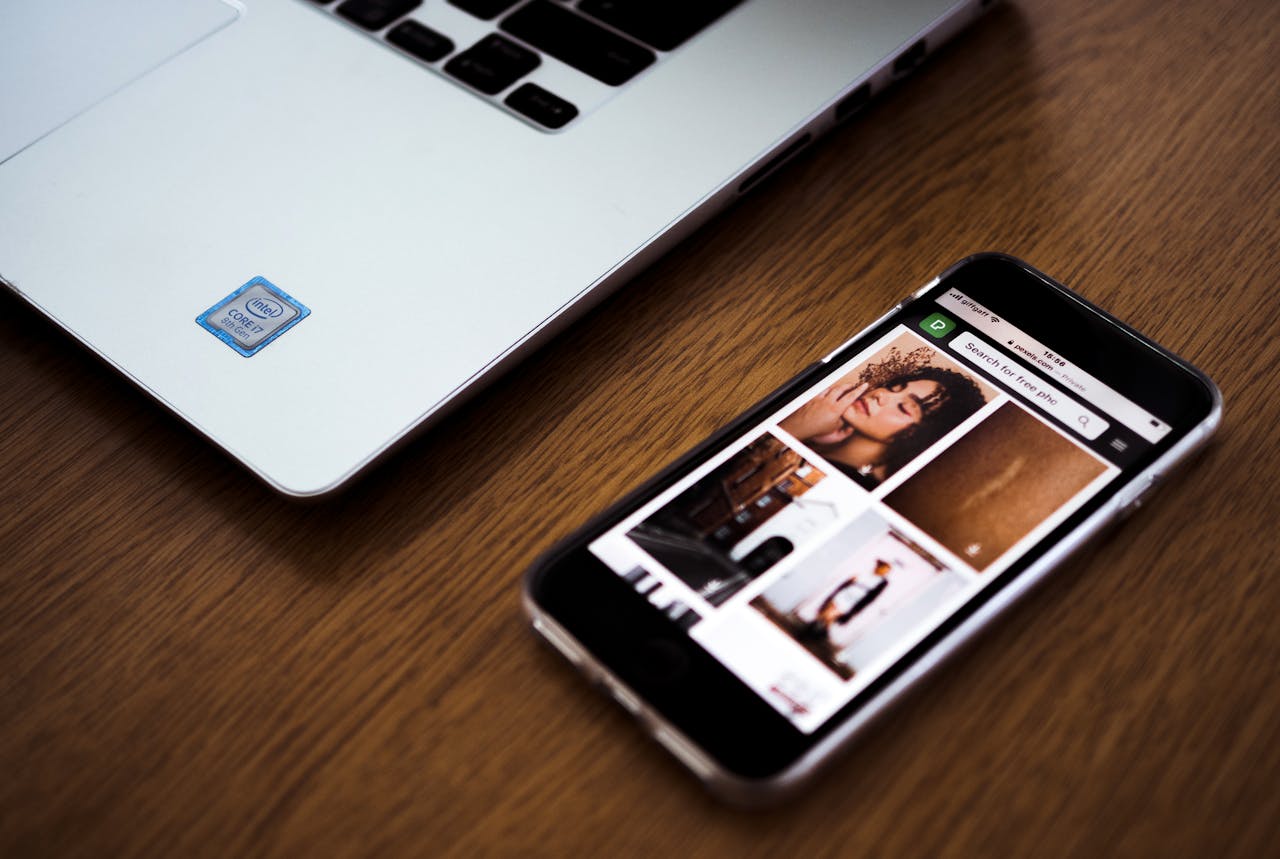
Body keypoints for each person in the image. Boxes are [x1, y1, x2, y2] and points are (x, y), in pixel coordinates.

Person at [779, 366, 984, 486]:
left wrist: (794, 428)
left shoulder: (851, 484)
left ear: (919, 436)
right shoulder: (820, 441)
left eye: (904, 408)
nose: (881, 395)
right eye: (893, 388)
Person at [798, 559, 893, 641]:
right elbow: (847, 583)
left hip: (852, 602)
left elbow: (871, 597)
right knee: (826, 613)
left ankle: (814, 633)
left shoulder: (882, 582)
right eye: (881, 567)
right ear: (877, 567)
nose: (882, 570)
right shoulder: (864, 573)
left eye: (885, 570)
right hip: (843, 595)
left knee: (829, 617)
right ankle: (815, 632)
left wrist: (857, 610)